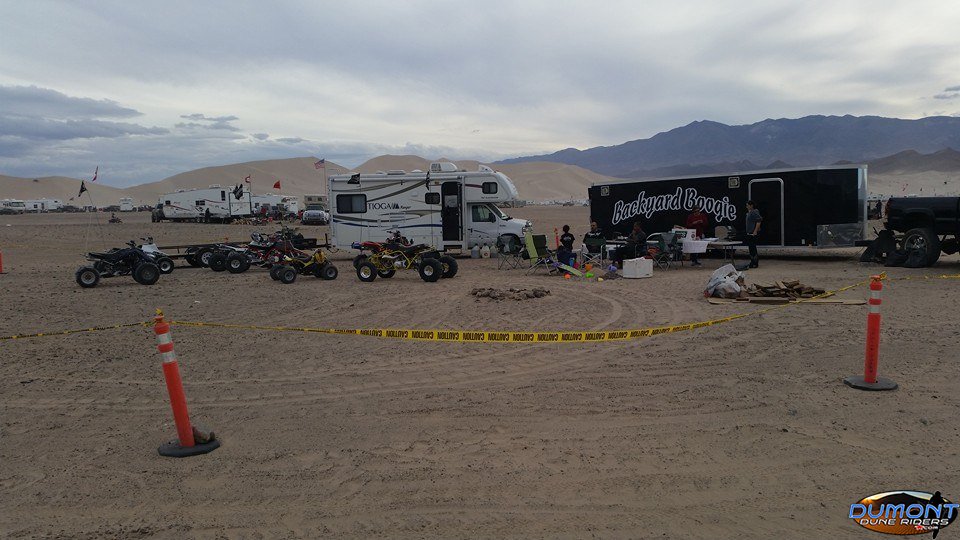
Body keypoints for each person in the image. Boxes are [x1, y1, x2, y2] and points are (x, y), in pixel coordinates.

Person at [745, 200, 762, 268]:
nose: (746, 207)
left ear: (751, 205)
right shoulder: (750, 212)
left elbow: (759, 221)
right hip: (749, 233)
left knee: (753, 248)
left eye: (747, 205)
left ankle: (755, 262)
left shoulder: (754, 212)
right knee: (751, 248)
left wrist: (755, 231)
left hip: (752, 233)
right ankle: (752, 261)